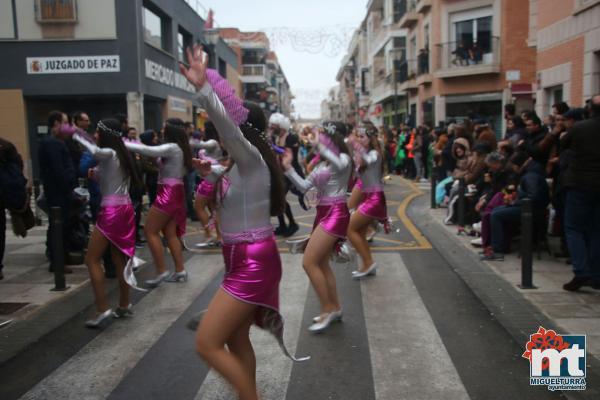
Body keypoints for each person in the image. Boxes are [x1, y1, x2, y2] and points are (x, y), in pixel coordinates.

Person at [180, 45, 307, 400]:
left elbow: (230, 130)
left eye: (223, 129)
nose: (218, 135)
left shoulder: (250, 157)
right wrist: (210, 174)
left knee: (207, 342)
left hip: (253, 259)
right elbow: (207, 197)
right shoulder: (237, 166)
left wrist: (205, 89)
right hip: (238, 258)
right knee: (236, 340)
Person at [282, 121, 351, 332]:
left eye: (322, 136)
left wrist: (318, 142)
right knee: (320, 263)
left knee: (309, 262)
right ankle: (335, 308)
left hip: (336, 213)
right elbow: (303, 186)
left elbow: (336, 161)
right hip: (322, 214)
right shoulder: (321, 164)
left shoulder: (343, 160)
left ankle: (327, 309)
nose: (317, 140)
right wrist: (287, 168)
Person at [72, 120, 141, 327]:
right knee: (120, 259)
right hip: (126, 208)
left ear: (104, 134)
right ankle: (125, 304)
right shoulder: (121, 154)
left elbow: (94, 151)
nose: (95, 135)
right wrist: (95, 175)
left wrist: (76, 134)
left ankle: (103, 309)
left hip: (111, 211)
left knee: (92, 259)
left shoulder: (110, 153)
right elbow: (108, 177)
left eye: (97, 132)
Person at [125, 119, 193, 287]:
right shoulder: (181, 148)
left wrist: (122, 142)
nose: (162, 131)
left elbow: (146, 149)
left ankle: (162, 271)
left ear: (171, 132)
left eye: (164, 129)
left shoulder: (172, 148)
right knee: (170, 234)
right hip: (174, 191)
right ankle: (180, 271)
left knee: (150, 231)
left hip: (168, 192)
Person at [561, 95, 600, 291]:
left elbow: (563, 144)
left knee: (573, 228)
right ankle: (596, 274)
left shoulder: (579, 128)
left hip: (580, 184)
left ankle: (582, 270)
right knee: (596, 230)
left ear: (590, 110)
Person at [39, 111, 77, 274]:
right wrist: (70, 184)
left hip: (57, 192)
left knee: (60, 226)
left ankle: (61, 257)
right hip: (59, 193)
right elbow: (59, 170)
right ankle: (57, 261)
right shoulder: (53, 144)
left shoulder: (54, 142)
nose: (68, 127)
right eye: (66, 123)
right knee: (59, 226)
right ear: (56, 123)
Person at [348, 125, 387, 279]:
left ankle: (368, 263)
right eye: (358, 136)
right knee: (359, 232)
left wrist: (355, 144)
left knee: (349, 229)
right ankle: (367, 264)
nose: (359, 139)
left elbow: (369, 159)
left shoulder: (375, 154)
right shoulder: (363, 153)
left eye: (362, 137)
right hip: (368, 197)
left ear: (371, 139)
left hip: (375, 199)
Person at [190, 121, 224, 247]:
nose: (203, 130)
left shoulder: (213, 143)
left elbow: (200, 145)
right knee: (214, 209)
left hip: (210, 180)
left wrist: (186, 139)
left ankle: (209, 235)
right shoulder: (216, 143)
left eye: (204, 128)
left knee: (198, 207)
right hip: (212, 179)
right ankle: (219, 237)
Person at [270, 113, 301, 237]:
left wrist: (273, 147)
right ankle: (282, 225)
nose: (271, 128)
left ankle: (293, 224)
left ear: (281, 126)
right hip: (280, 172)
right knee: (277, 198)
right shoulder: (276, 137)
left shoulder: (291, 137)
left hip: (291, 172)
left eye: (274, 126)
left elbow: (288, 153)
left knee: (280, 198)